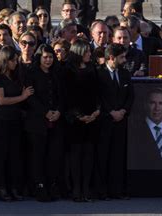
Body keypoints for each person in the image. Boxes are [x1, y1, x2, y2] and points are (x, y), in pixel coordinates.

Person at [0, 45, 33, 201]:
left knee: (15, 154)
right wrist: (23, 97)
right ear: (6, 61)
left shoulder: (16, 75)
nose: (16, 63)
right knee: (1, 154)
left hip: (15, 119)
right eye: (14, 60)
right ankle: (2, 188)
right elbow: (1, 100)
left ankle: (14, 187)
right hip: (0, 120)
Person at [24, 44, 64, 202]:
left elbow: (63, 95)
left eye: (51, 57)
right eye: (45, 57)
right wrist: (45, 112)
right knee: (38, 155)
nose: (48, 60)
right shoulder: (31, 73)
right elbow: (30, 97)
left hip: (56, 120)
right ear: (39, 57)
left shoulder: (57, 73)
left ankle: (51, 184)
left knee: (53, 155)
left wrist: (58, 111)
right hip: (37, 121)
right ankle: (39, 185)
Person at [95, 43, 134, 199]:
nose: (124, 60)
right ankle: (101, 191)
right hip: (104, 122)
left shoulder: (125, 73)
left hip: (121, 121)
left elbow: (130, 95)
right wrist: (110, 112)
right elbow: (99, 97)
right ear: (111, 58)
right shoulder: (99, 73)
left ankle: (117, 190)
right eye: (121, 57)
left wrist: (123, 111)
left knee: (118, 157)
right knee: (102, 157)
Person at [64, 39, 99, 202]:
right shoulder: (68, 70)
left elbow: (98, 92)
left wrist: (95, 112)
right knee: (76, 155)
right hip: (75, 120)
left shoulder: (93, 69)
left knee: (89, 154)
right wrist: (79, 116)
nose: (89, 54)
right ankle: (76, 188)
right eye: (86, 52)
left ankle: (86, 187)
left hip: (92, 118)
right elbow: (67, 96)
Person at [129, 88, 162, 170]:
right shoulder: (133, 133)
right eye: (152, 103)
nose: (157, 108)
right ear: (145, 105)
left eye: (161, 103)